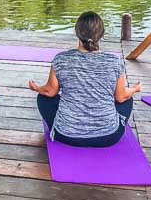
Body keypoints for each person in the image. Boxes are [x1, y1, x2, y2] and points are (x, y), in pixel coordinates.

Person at [29, 11, 142, 147]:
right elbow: (120, 97)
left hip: (66, 135)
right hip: (109, 136)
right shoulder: (114, 61)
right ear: (102, 35)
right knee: (127, 98)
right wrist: (135, 89)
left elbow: (50, 92)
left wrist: (36, 88)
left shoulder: (61, 59)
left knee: (43, 98)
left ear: (77, 33)